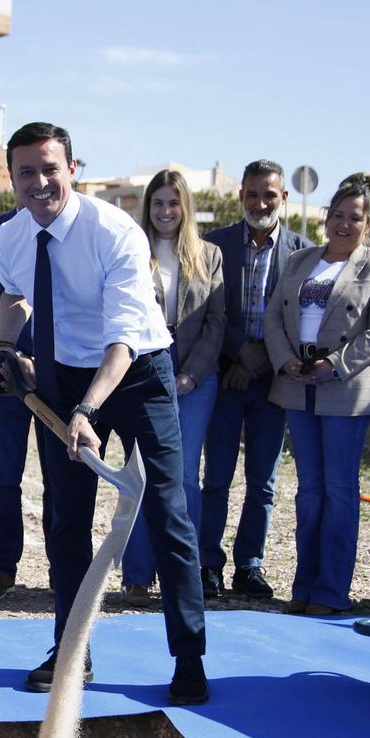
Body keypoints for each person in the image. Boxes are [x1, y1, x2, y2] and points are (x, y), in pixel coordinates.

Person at [0, 122, 209, 706]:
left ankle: (189, 656)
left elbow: (123, 341)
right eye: (26, 172)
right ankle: (72, 649)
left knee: (166, 510)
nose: (39, 182)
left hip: (136, 370)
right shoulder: (10, 237)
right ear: (12, 178)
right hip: (62, 374)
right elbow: (16, 297)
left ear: (73, 169)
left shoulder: (113, 233)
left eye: (49, 168)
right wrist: (5, 346)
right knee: (66, 520)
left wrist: (87, 409)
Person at [263, 172, 370, 617]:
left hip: (346, 390)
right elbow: (273, 319)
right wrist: (286, 360)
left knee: (340, 490)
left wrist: (334, 364)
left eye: (354, 217)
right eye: (337, 214)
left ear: (369, 223)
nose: (343, 224)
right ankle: (304, 587)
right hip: (298, 386)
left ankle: (331, 591)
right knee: (309, 490)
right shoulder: (301, 261)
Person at [200, 160, 311, 600]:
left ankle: (250, 565)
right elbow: (209, 309)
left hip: (275, 381)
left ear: (284, 198)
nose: (259, 203)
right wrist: (240, 352)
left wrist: (262, 355)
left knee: (262, 482)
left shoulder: (304, 254)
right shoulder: (215, 246)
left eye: (269, 195)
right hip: (225, 377)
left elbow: (302, 319)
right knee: (217, 478)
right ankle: (209, 564)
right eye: (251, 194)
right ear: (241, 196)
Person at [119, 169, 225, 607]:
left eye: (173, 203)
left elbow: (216, 322)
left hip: (194, 380)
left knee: (183, 478)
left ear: (186, 208)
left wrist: (191, 375)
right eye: (158, 203)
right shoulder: (132, 249)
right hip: (141, 376)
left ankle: (184, 574)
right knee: (140, 475)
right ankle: (138, 577)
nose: (165, 211)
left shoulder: (210, 255)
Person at [0, 207, 48, 602]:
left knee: (63, 477)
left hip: (60, 374)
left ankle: (64, 569)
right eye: (25, 171)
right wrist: (7, 355)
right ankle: (3, 569)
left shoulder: (74, 231)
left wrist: (42, 359)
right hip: (3, 376)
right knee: (4, 476)